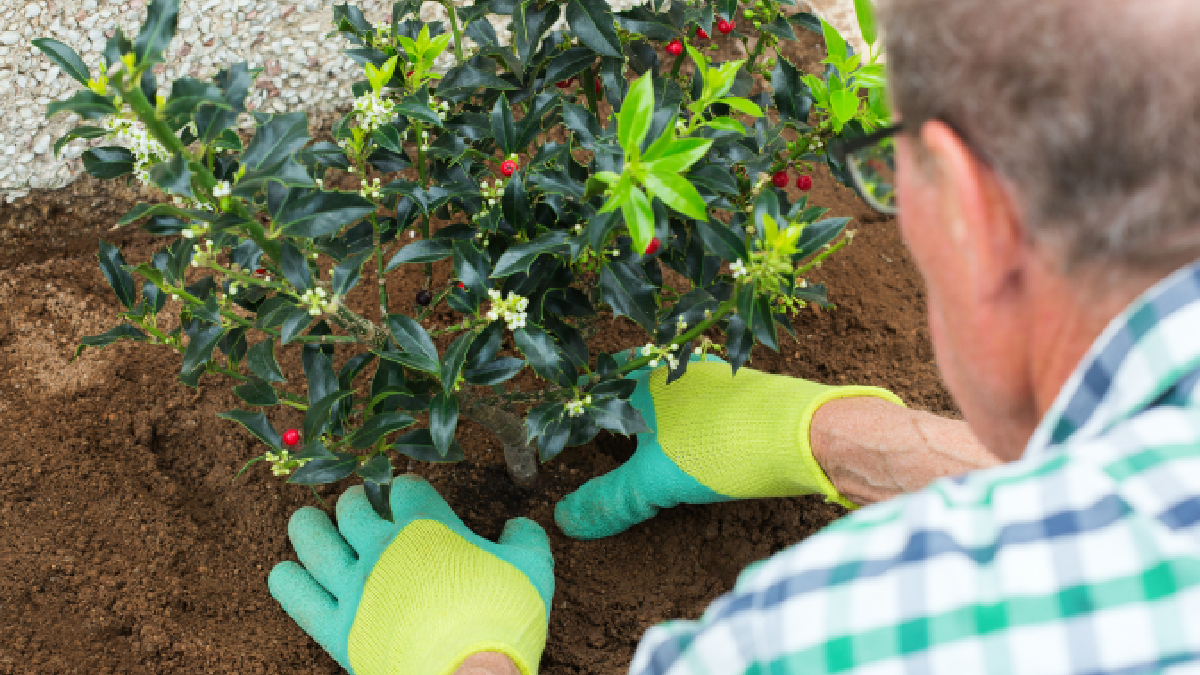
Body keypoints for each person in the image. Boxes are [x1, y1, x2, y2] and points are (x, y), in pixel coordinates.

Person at [267, 0, 1200, 672]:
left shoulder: (823, 634)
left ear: (962, 207)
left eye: (888, 172)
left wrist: (468, 664)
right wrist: (833, 439)